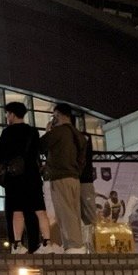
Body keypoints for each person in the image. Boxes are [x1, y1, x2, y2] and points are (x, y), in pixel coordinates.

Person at [0, 101, 55, 254]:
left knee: (17, 211)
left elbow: (1, 156)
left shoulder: (7, 133)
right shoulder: (32, 132)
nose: (6, 117)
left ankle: (17, 245)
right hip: (32, 176)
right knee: (39, 209)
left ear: (12, 114)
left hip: (15, 177)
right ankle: (47, 242)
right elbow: (38, 152)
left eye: (7, 114)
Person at [39, 102, 88, 253]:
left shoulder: (59, 131)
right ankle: (76, 244)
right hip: (74, 177)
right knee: (73, 212)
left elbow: (41, 146)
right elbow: (82, 159)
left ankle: (73, 245)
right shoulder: (78, 135)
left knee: (64, 212)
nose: (53, 118)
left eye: (54, 115)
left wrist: (48, 131)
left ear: (58, 115)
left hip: (60, 177)